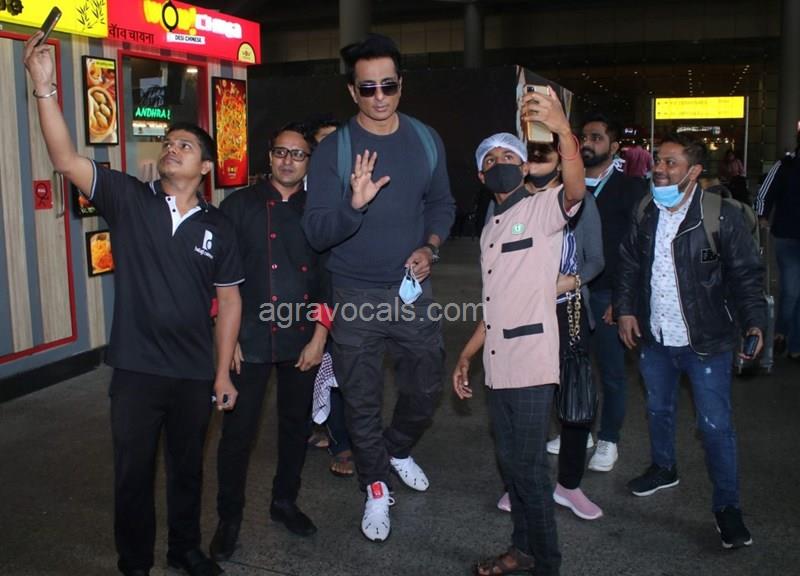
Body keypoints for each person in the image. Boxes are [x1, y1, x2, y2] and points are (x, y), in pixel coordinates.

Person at [24, 34, 243, 576]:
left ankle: (185, 549)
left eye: (185, 145)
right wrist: (45, 87)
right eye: (168, 142)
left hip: (193, 371)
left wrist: (222, 372)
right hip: (137, 369)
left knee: (188, 469)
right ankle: (135, 562)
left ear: (206, 167)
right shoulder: (128, 199)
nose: (171, 148)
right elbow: (65, 158)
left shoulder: (220, 227)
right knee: (132, 473)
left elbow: (229, 300)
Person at [302, 33, 455, 542]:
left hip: (411, 289)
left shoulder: (426, 140)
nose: (380, 96)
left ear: (400, 84)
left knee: (426, 387)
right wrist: (354, 206)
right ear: (352, 91)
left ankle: (398, 448)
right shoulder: (333, 150)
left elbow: (442, 204)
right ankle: (373, 484)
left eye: (388, 85)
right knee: (361, 400)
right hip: (354, 296)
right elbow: (316, 231)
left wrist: (430, 247)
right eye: (368, 88)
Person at [453, 88, 585, 576]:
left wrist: (563, 130)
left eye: (509, 156)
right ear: (481, 175)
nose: (500, 164)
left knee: (529, 470)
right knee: (511, 466)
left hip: (531, 362)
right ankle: (521, 549)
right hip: (497, 365)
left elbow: (575, 191)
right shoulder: (491, 227)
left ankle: (546, 563)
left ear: (525, 166)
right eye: (490, 160)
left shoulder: (542, 207)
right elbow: (495, 303)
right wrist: (467, 354)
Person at [615, 133, 765, 549]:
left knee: (715, 427)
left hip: (707, 341)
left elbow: (747, 276)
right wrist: (625, 309)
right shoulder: (646, 210)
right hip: (656, 336)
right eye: (658, 161)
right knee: (658, 409)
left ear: (694, 171)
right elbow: (628, 263)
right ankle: (664, 468)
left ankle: (727, 507)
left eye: (671, 163)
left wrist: (755, 323)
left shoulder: (721, 216)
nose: (660, 169)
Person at [209, 124, 332, 562]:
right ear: (270, 156)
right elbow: (217, 276)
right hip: (248, 337)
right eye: (281, 152)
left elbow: (328, 279)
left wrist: (320, 336)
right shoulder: (237, 205)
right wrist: (227, 339)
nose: (288, 161)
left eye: (298, 154)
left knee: (295, 428)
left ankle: (284, 502)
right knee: (237, 435)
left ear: (309, 161)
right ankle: (228, 519)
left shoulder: (319, 211)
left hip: (302, 337)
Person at [495, 140, 605, 521]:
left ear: (561, 161)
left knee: (575, 401)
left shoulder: (579, 201)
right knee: (524, 404)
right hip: (520, 316)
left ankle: (569, 485)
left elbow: (596, 260)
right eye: (531, 155)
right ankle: (520, 484)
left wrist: (570, 281)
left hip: (567, 312)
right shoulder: (507, 203)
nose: (538, 160)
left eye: (546, 154)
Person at [576, 113, 646, 473]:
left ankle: (608, 438)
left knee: (612, 372)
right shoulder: (567, 184)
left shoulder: (630, 188)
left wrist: (623, 298)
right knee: (575, 369)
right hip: (570, 292)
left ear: (614, 147)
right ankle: (579, 432)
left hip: (608, 295)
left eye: (597, 137)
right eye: (584, 137)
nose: (587, 143)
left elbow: (636, 248)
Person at [754, 131, 800, 360]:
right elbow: (764, 192)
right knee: (791, 291)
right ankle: (781, 331)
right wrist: (762, 216)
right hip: (787, 236)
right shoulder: (785, 166)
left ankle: (794, 344)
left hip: (787, 235)